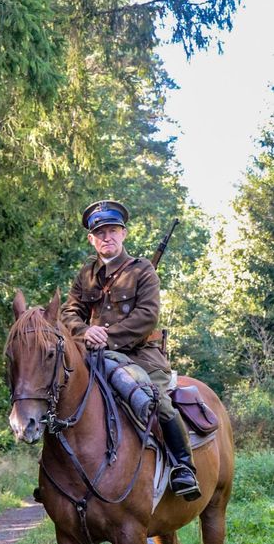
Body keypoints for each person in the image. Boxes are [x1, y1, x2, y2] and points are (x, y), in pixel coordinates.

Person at [60, 199, 201, 501]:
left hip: (141, 355)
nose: (106, 237)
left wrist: (105, 336)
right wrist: (86, 332)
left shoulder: (143, 270)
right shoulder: (85, 275)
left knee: (156, 399)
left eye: (112, 230)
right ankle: (62, 476)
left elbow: (146, 316)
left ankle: (183, 467)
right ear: (91, 239)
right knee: (62, 395)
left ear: (123, 233)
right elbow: (69, 313)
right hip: (95, 356)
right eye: (100, 233)